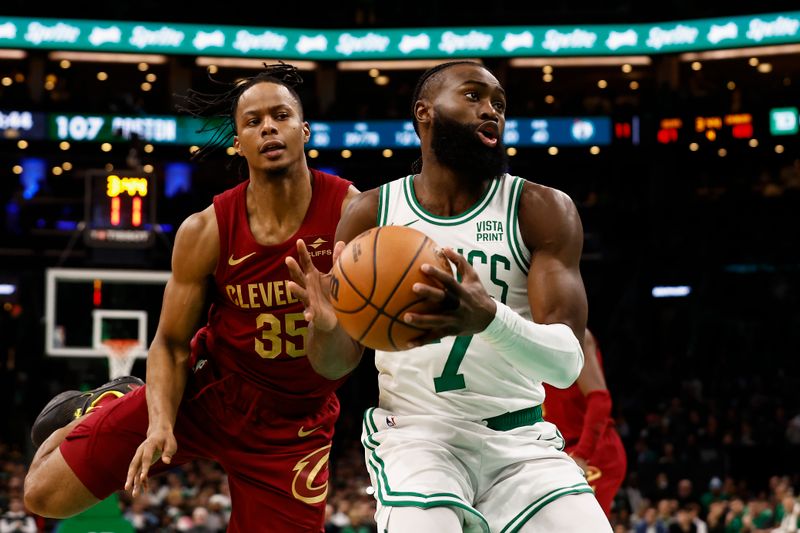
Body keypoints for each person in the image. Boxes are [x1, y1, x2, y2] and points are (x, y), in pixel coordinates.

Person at [23, 63, 359, 532]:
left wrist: (328, 326)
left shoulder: (350, 215)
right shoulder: (207, 229)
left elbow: (347, 360)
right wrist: (160, 421)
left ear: (304, 130)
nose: (268, 127)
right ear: (238, 143)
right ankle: (115, 399)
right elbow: (170, 343)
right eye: (252, 121)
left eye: (280, 116)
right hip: (207, 392)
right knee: (43, 496)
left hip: (293, 427)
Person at [287, 60, 611, 532]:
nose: (491, 111)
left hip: (520, 439)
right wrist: (327, 326)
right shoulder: (371, 211)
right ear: (425, 113)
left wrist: (489, 318)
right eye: (474, 96)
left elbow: (565, 367)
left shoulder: (540, 209)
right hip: (419, 439)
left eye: (499, 104)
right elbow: (335, 364)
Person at [543, 328, 627, 517]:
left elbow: (600, 400)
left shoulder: (575, 334)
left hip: (592, 452)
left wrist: (582, 454)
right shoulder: (520, 331)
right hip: (557, 452)